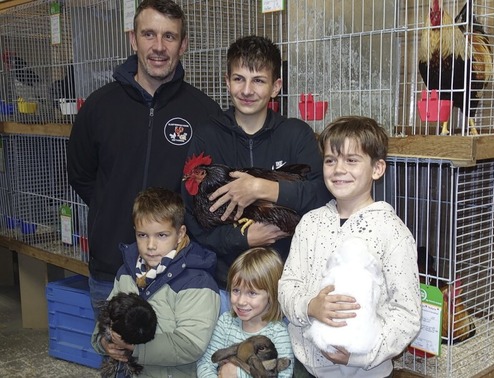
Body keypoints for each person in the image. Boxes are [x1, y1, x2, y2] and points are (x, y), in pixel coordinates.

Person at [67, 0, 223, 316]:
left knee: (178, 362)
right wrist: (109, 209)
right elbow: (81, 174)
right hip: (109, 270)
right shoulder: (99, 107)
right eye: (149, 34)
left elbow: (212, 188)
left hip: (180, 274)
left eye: (170, 36)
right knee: (118, 360)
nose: (159, 46)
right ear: (133, 39)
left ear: (183, 45)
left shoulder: (205, 113)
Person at [182, 35, 331, 309]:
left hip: (288, 286)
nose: (247, 90)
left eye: (258, 80)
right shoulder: (208, 137)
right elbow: (192, 216)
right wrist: (243, 238)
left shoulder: (296, 134)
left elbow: (321, 194)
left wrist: (261, 188)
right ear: (227, 81)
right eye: (239, 79)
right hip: (228, 287)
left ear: (276, 87)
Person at [278, 116, 421, 378]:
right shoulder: (310, 223)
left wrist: (359, 355)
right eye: (330, 160)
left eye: (351, 160)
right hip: (307, 368)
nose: (338, 169)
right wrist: (310, 306)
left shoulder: (391, 231)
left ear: (377, 169)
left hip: (366, 373)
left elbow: (406, 313)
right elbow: (288, 285)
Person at [92, 187, 220, 378]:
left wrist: (134, 347)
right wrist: (104, 342)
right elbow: (106, 317)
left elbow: (190, 344)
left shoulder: (197, 282)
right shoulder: (126, 273)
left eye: (162, 235)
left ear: (180, 233)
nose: (150, 246)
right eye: (143, 235)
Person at [197, 247, 294, 378]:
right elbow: (206, 364)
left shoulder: (278, 332)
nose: (241, 301)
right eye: (236, 290)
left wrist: (238, 374)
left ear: (271, 294)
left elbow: (284, 375)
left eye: (252, 293)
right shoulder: (226, 322)